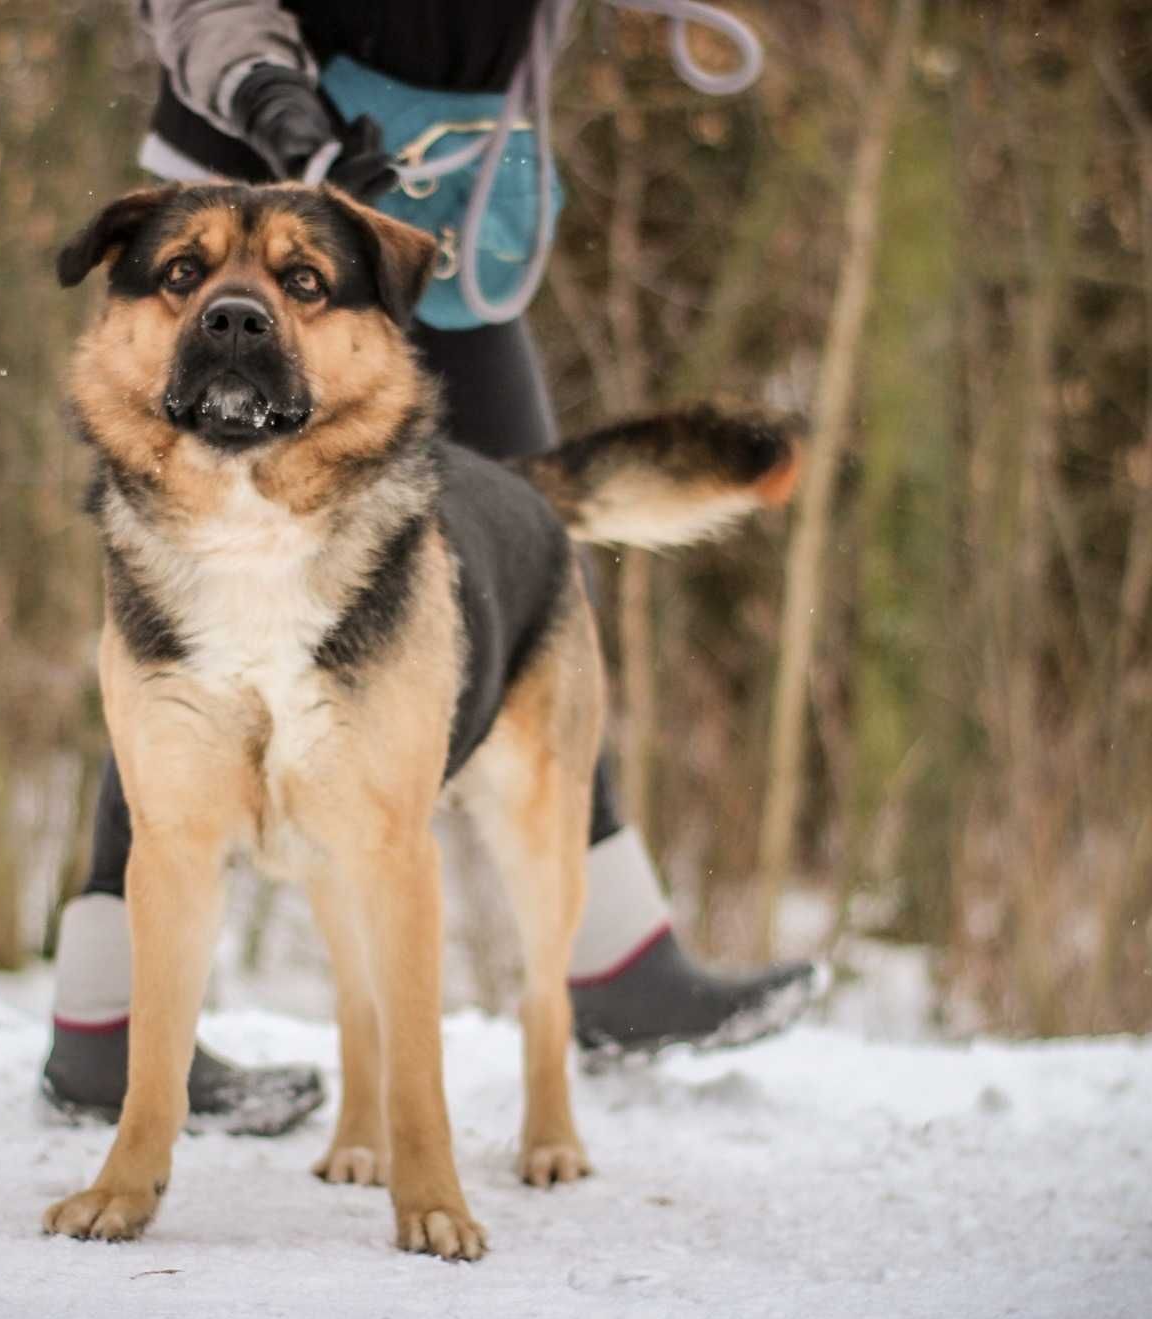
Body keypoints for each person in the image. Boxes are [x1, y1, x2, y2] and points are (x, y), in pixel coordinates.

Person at [41, 0, 823, 1135]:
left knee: (519, 542)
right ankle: (108, 1018)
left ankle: (606, 952)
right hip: (254, 186)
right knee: (192, 619)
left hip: (438, 200)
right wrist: (267, 90)